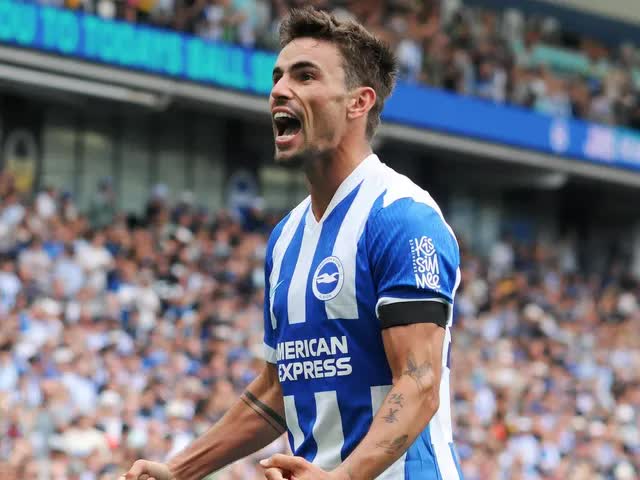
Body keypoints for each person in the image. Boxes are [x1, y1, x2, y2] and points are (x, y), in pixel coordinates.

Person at [120, 7, 462, 480]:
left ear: (358, 102)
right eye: (278, 77)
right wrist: (179, 469)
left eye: (305, 76)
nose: (279, 90)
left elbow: (420, 382)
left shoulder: (402, 216)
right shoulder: (285, 238)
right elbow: (278, 387)